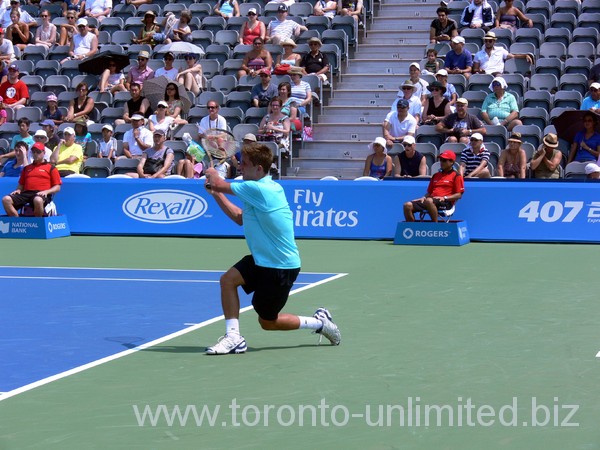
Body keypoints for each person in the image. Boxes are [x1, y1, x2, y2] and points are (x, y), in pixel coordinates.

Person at [202, 142, 341, 355]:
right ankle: (233, 337)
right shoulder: (254, 188)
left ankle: (319, 323)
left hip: (280, 266)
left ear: (259, 169)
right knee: (227, 280)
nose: (240, 167)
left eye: (245, 164)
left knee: (268, 322)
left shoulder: (260, 189)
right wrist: (215, 194)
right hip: (260, 259)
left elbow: (218, 182)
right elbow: (240, 218)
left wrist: (212, 174)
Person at [2, 142, 62, 217]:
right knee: (6, 199)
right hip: (26, 193)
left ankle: (37, 223)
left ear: (44, 153)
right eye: (33, 152)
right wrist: (18, 190)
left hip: (41, 194)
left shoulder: (51, 168)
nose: (35, 154)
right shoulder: (26, 168)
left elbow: (57, 187)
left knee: (38, 200)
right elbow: (21, 185)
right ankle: (17, 222)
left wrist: (46, 192)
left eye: (38, 152)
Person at [403, 150, 464, 222]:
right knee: (407, 205)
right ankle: (411, 229)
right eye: (440, 160)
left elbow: (459, 195)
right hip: (431, 201)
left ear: (451, 162)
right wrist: (423, 197)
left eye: (444, 160)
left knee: (429, 201)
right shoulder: (436, 175)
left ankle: (435, 226)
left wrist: (445, 198)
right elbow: (429, 192)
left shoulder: (456, 176)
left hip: (445, 202)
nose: (441, 162)